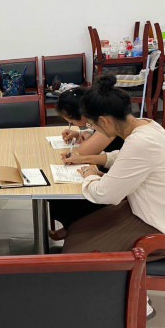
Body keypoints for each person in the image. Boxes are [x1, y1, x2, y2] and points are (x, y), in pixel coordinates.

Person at [60, 75, 165, 257]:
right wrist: (92, 160)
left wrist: (89, 175)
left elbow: (105, 194)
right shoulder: (147, 125)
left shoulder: (140, 141)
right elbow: (127, 158)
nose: (93, 130)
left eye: (92, 125)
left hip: (164, 229)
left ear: (104, 121)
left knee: (77, 253)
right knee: (79, 227)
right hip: (158, 213)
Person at [48, 87, 126, 240]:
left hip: (114, 183)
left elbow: (85, 151)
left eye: (71, 121)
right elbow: (107, 154)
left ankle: (76, 231)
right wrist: (82, 134)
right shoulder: (107, 119)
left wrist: (84, 157)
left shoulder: (109, 122)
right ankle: (72, 228)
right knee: (59, 191)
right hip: (110, 169)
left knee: (65, 194)